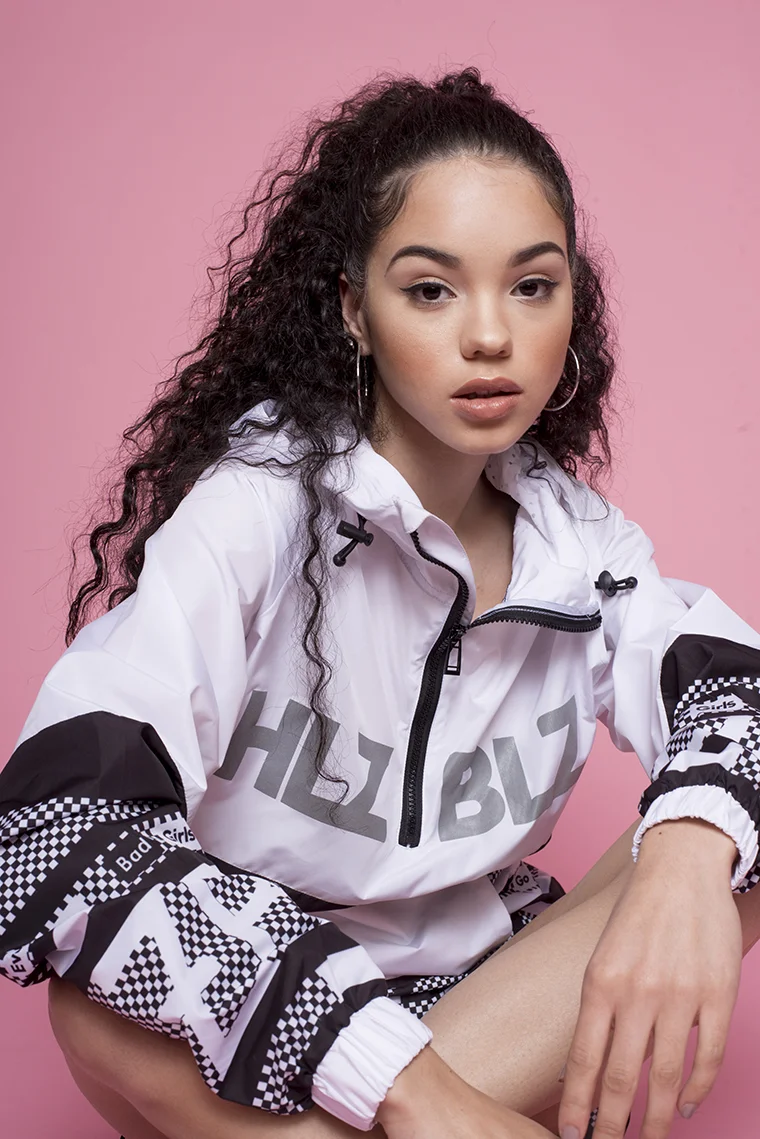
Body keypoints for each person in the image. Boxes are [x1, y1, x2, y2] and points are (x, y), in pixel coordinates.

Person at [2, 66, 760, 1139]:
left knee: (725, 840)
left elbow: (739, 695)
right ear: (355, 309)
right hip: (269, 1020)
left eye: (531, 286)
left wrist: (689, 848)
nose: (490, 336)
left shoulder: (580, 550)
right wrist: (406, 1085)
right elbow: (58, 825)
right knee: (95, 1002)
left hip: (491, 997)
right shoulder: (256, 511)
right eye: (432, 289)